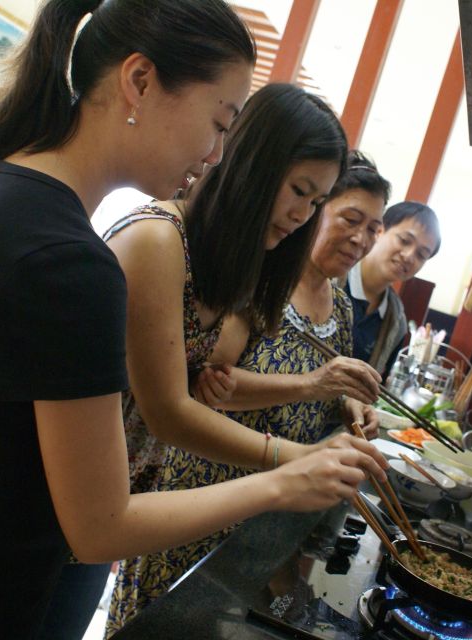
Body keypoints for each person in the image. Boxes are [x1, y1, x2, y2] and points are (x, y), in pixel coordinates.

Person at [0, 3, 384, 638]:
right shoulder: (71, 261)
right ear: (139, 81)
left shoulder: (6, 186)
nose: (218, 152)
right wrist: (286, 480)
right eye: (220, 123)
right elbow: (99, 527)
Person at [105, 152, 392, 629]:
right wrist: (312, 385)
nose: (360, 239)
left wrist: (346, 403)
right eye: (350, 219)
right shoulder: (264, 276)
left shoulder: (341, 306)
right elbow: (212, 384)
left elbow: (321, 389)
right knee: (160, 624)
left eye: (373, 229)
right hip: (204, 490)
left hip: (269, 509)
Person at [339, 201, 441, 377]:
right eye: (404, 241)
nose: (409, 256)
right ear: (379, 230)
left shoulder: (396, 321)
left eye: (421, 255)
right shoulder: (333, 276)